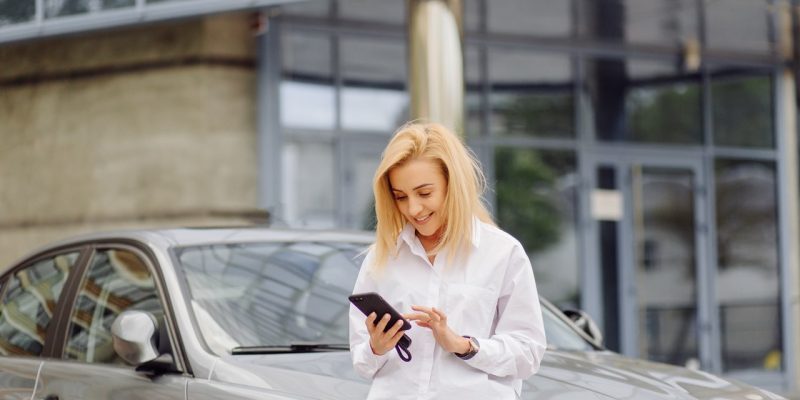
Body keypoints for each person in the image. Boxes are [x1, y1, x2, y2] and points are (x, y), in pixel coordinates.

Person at [349, 122, 547, 400]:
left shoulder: (503, 253)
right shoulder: (381, 258)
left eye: (425, 193)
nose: (413, 209)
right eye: (400, 197)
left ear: (453, 185)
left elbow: (528, 353)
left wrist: (463, 345)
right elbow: (361, 362)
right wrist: (376, 347)